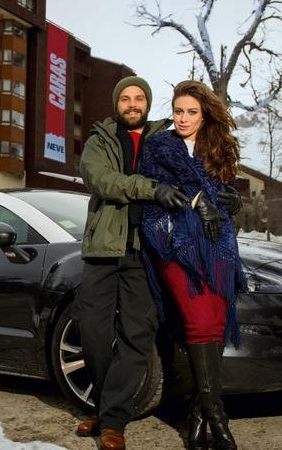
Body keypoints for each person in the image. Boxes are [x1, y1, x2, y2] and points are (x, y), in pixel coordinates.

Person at [74, 76, 188, 450]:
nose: (133, 104)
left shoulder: (164, 142)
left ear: (148, 103)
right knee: (92, 332)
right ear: (116, 103)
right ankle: (106, 407)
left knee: (137, 338)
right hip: (102, 251)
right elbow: (103, 181)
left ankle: (112, 421)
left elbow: (189, 178)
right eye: (125, 98)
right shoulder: (99, 141)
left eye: (139, 98)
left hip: (145, 253)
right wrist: (151, 189)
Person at [139, 80, 245, 450]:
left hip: (216, 246)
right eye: (178, 111)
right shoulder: (158, 147)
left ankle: (198, 418)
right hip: (175, 245)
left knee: (214, 323)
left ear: (205, 114)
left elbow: (227, 194)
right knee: (199, 320)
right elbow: (155, 196)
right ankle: (218, 415)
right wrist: (196, 200)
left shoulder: (217, 149)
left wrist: (232, 203)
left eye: (191, 112)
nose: (183, 118)